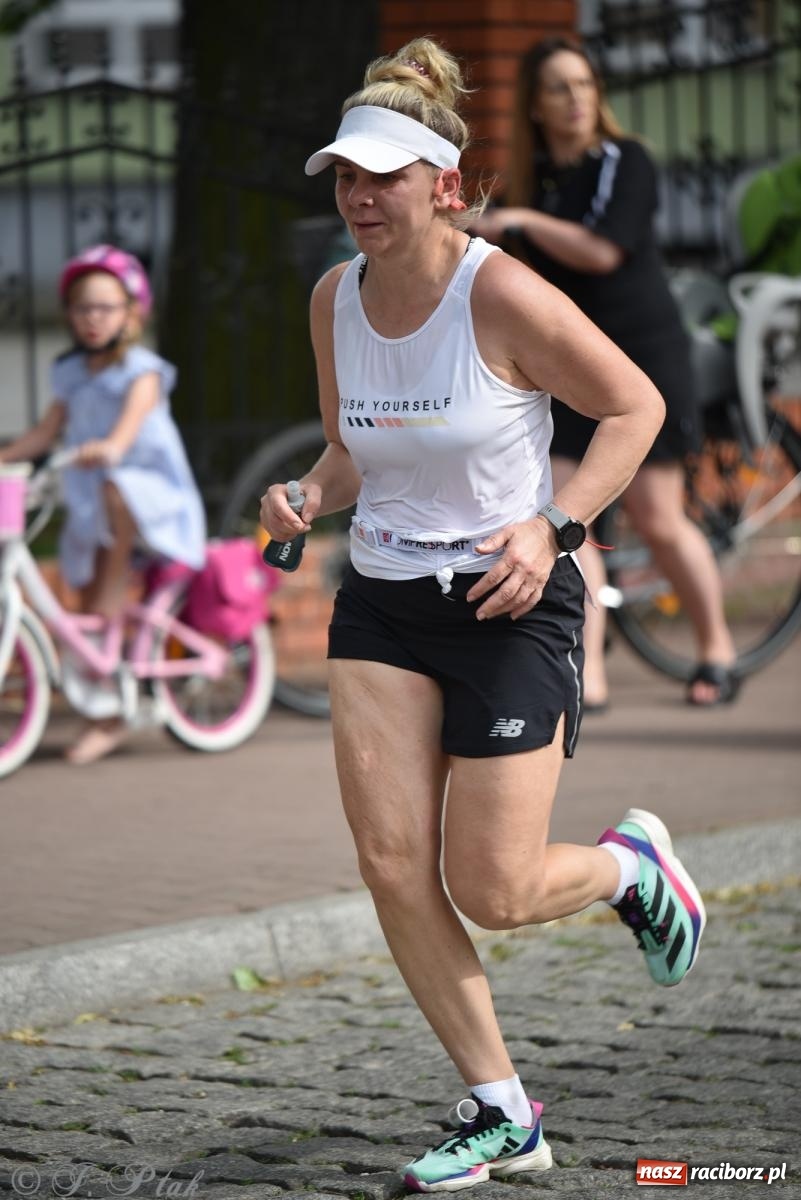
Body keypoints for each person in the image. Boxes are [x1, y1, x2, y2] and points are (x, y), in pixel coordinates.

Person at [259, 37, 706, 1194]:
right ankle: (503, 1110)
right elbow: (352, 449)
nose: (360, 197)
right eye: (346, 177)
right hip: (384, 600)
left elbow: (636, 406)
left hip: (510, 601)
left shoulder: (498, 290)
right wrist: (305, 494)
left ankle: (631, 871)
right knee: (391, 861)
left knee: (495, 890)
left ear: (444, 185)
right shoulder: (334, 298)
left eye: (384, 177)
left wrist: (554, 525)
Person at [471, 37, 738, 710]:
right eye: (559, 87)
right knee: (566, 515)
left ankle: (716, 648)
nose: (576, 99)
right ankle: (586, 674)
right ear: (535, 103)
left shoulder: (624, 159)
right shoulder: (534, 179)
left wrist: (519, 220)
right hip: (569, 368)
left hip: (643, 359)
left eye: (585, 84)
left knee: (656, 516)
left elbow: (601, 251)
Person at [0, 244, 206, 764]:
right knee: (84, 618)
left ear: (132, 313)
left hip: (150, 499)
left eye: (105, 307)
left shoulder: (143, 371)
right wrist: (7, 456)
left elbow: (129, 427)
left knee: (117, 489)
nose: (93, 318)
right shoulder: (71, 373)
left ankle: (110, 710)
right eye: (82, 308)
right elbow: (45, 433)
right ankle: (105, 710)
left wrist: (110, 446)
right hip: (97, 511)